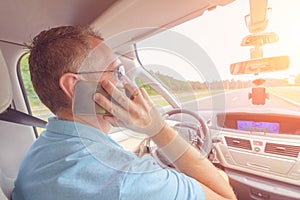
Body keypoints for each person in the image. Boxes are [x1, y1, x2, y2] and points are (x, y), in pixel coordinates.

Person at [12, 26, 236, 200]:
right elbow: (226, 196)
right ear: (74, 87)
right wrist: (158, 129)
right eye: (117, 71)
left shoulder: (37, 155)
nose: (126, 82)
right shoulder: (129, 178)